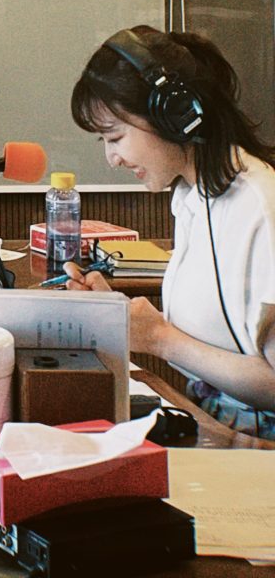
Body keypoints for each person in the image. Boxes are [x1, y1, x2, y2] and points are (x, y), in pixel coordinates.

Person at [66, 24, 275, 437]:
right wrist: (115, 314)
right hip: (213, 423)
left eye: (115, 137)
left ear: (175, 116)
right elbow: (216, 339)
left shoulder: (260, 207)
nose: (112, 158)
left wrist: (159, 338)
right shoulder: (193, 197)